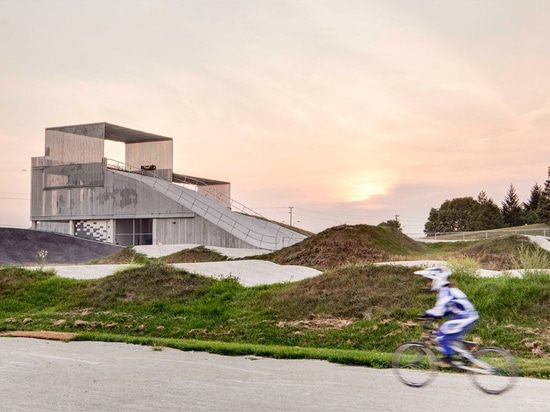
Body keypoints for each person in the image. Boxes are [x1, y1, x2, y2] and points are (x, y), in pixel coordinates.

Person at [414, 267, 479, 366]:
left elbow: (440, 310)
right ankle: (465, 350)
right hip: (466, 315)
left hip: (465, 316)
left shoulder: (446, 291)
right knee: (447, 335)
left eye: (429, 280)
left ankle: (449, 358)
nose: (428, 284)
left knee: (443, 331)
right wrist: (433, 315)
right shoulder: (446, 290)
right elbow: (446, 310)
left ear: (437, 279)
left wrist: (427, 314)